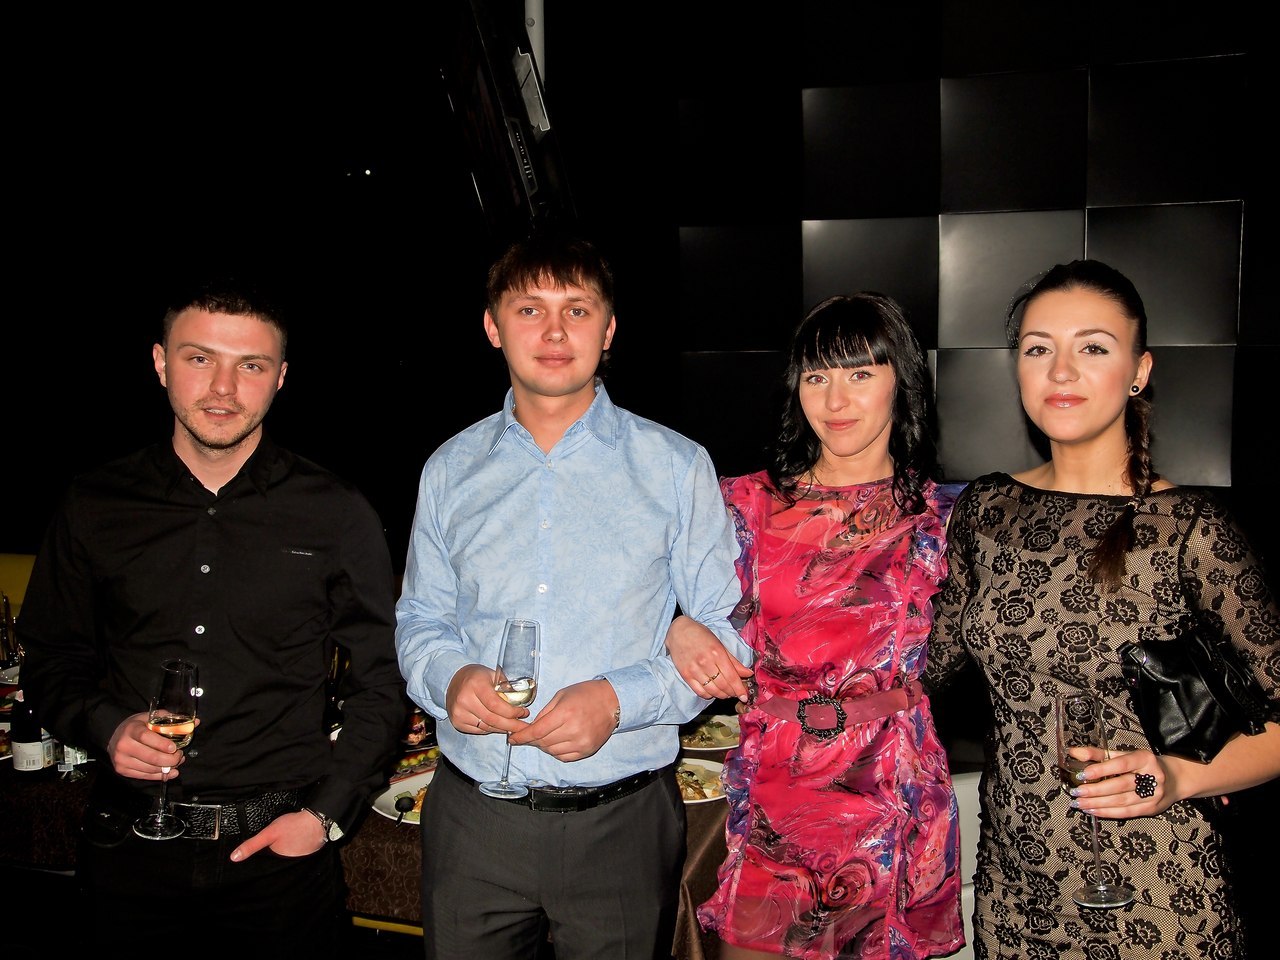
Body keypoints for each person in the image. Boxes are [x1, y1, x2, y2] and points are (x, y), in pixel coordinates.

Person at [18, 278, 407, 958]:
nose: (223, 388)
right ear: (161, 362)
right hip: (127, 851)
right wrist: (107, 727)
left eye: (250, 365)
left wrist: (325, 815)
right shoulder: (93, 504)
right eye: (200, 358)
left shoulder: (337, 512)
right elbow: (51, 660)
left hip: (278, 861)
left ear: (279, 378)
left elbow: (384, 680)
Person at [394, 231, 754, 959]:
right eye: (529, 309)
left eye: (578, 310)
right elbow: (420, 618)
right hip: (472, 822)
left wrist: (618, 700)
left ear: (609, 329)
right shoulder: (449, 469)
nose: (555, 332)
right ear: (493, 326)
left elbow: (730, 632)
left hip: (619, 824)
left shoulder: (676, 466)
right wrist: (449, 678)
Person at [924, 259, 1280, 958]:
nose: (1061, 371)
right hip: (1017, 887)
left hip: (1158, 888)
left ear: (1139, 371)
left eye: (1092, 347)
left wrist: (1179, 775)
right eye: (1038, 349)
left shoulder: (1188, 528)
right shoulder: (987, 510)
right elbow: (922, 666)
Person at [668, 293, 967, 959]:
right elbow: (631, 588)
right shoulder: (742, 504)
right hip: (776, 792)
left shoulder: (946, 519)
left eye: (860, 373)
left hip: (889, 792)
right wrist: (674, 626)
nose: (836, 400)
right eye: (817, 376)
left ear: (901, 380)